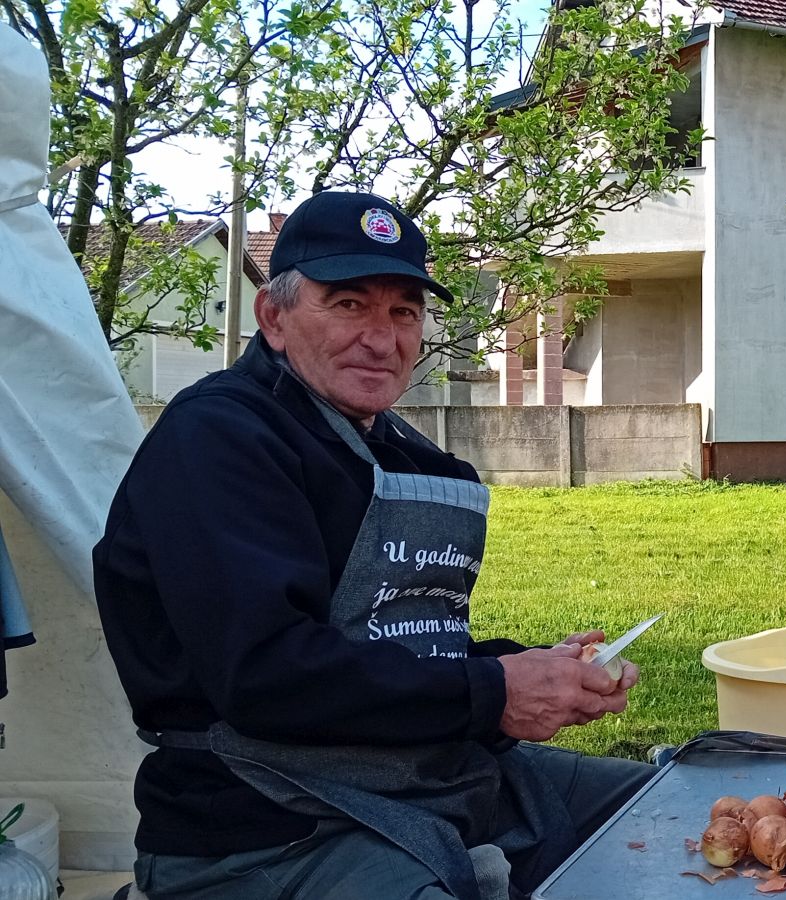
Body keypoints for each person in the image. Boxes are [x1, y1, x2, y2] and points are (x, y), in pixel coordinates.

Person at [93, 191, 654, 900]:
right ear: (273, 317)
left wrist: (533, 669)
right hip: (267, 822)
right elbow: (267, 675)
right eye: (349, 304)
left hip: (422, 773)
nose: (382, 339)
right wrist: (493, 694)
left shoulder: (398, 451)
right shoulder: (219, 439)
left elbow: (393, 643)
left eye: (404, 312)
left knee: (669, 809)